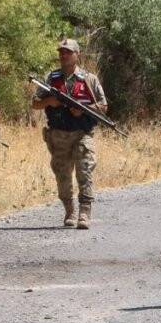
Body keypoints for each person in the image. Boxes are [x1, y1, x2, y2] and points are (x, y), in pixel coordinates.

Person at [30, 39, 109, 229]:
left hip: (82, 133)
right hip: (58, 135)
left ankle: (84, 212)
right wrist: (50, 101)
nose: (64, 55)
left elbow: (103, 106)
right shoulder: (51, 78)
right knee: (62, 175)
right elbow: (35, 103)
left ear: (77, 54)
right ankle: (69, 210)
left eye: (68, 52)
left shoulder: (89, 79)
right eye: (61, 52)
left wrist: (83, 109)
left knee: (85, 171)